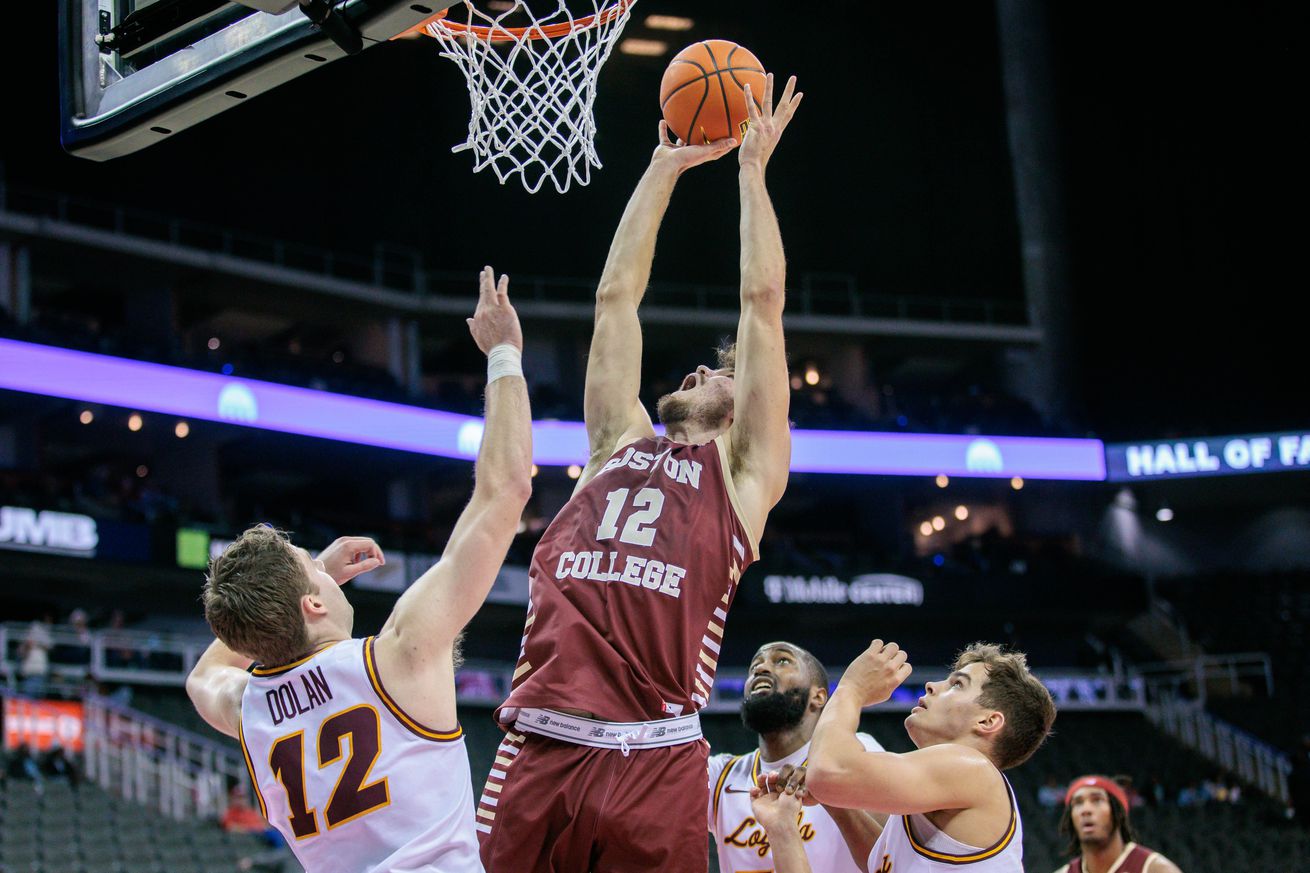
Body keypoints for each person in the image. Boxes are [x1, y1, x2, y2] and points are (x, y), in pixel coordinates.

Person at [477, 74, 803, 873]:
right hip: (542, 745)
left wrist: (751, 173)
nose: (699, 367)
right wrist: (664, 167)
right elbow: (615, 299)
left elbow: (761, 304)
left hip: (656, 757)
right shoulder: (614, 444)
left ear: (742, 406)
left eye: (720, 374)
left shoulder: (744, 480)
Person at [186, 267, 531, 873]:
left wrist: (303, 578)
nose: (323, 568)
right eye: (312, 569)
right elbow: (506, 490)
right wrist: (504, 352)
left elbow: (204, 673)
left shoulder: (247, 708)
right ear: (312, 604)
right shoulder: (396, 654)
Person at [806, 640, 1057, 872]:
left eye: (957, 684)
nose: (932, 685)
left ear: (988, 721)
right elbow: (886, 864)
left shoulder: (971, 769)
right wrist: (835, 802)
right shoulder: (948, 782)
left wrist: (852, 688)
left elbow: (828, 773)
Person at [709, 641, 885, 873]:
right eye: (755, 666)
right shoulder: (721, 773)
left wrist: (834, 801)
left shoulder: (854, 749)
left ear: (818, 697)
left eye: (782, 660)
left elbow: (891, 859)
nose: (760, 669)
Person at [1054, 776, 1182, 873]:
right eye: (1078, 803)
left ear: (1118, 813)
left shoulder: (1154, 868)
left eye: (1097, 800)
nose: (1085, 810)